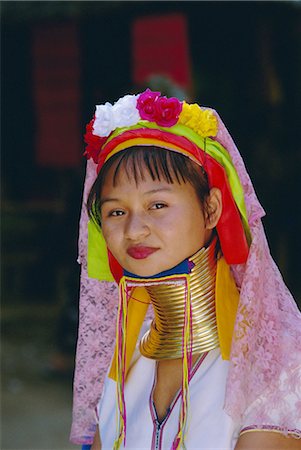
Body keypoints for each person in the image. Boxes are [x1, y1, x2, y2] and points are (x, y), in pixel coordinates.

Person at [71, 89, 301, 449]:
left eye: (158, 204)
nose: (134, 230)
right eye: (116, 211)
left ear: (211, 209)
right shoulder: (124, 359)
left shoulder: (277, 365)